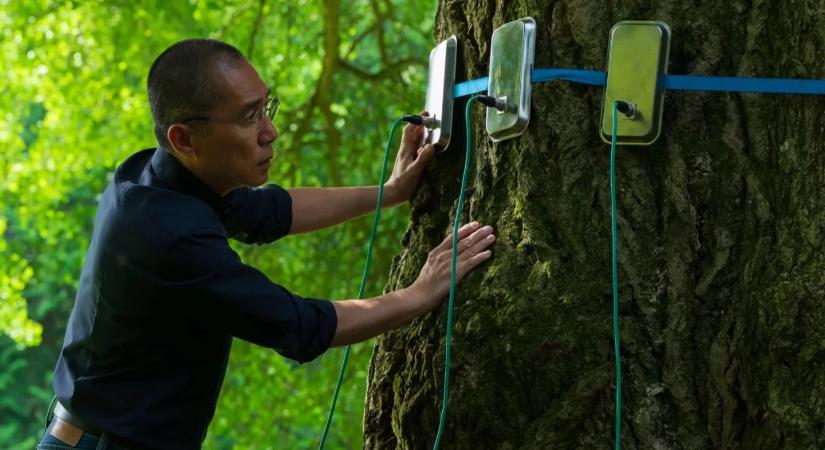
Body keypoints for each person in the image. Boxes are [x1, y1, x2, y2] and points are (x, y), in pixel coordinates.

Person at [37, 38, 496, 450]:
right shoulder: (168, 235)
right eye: (248, 117)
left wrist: (390, 193)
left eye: (265, 107)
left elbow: (273, 211)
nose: (270, 131)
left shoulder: (163, 177)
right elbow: (297, 323)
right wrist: (418, 294)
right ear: (184, 138)